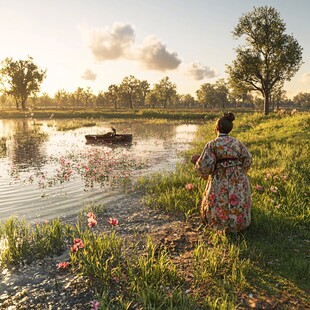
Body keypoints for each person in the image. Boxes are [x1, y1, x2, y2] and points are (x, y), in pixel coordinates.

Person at [191, 112, 252, 232]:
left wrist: (196, 161)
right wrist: (240, 171)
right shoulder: (237, 142)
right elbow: (248, 158)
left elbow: (204, 166)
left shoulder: (212, 145)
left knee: (220, 199)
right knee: (237, 198)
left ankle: (220, 225)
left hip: (220, 178)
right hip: (238, 177)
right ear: (230, 128)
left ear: (217, 128)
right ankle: (239, 224)